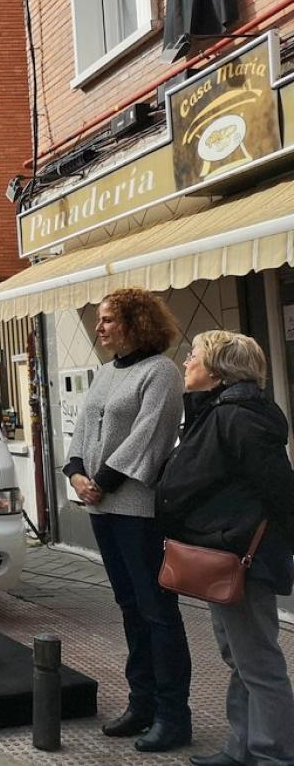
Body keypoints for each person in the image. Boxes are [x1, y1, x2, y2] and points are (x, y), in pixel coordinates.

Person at [156, 331, 294, 766]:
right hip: (221, 553)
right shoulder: (215, 411)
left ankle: (275, 755)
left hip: (241, 557)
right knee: (238, 656)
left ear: (216, 369)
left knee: (258, 662)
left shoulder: (239, 416)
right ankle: (242, 748)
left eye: (194, 355)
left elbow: (279, 488)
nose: (186, 362)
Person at [62, 288, 190, 751]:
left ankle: (174, 715)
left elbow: (150, 436)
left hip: (136, 510)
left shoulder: (161, 373)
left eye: (109, 319)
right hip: (101, 507)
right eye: (99, 319)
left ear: (137, 322)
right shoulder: (102, 373)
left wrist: (104, 480)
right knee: (130, 609)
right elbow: (80, 431)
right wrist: (76, 473)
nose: (100, 327)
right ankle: (142, 703)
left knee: (157, 612)